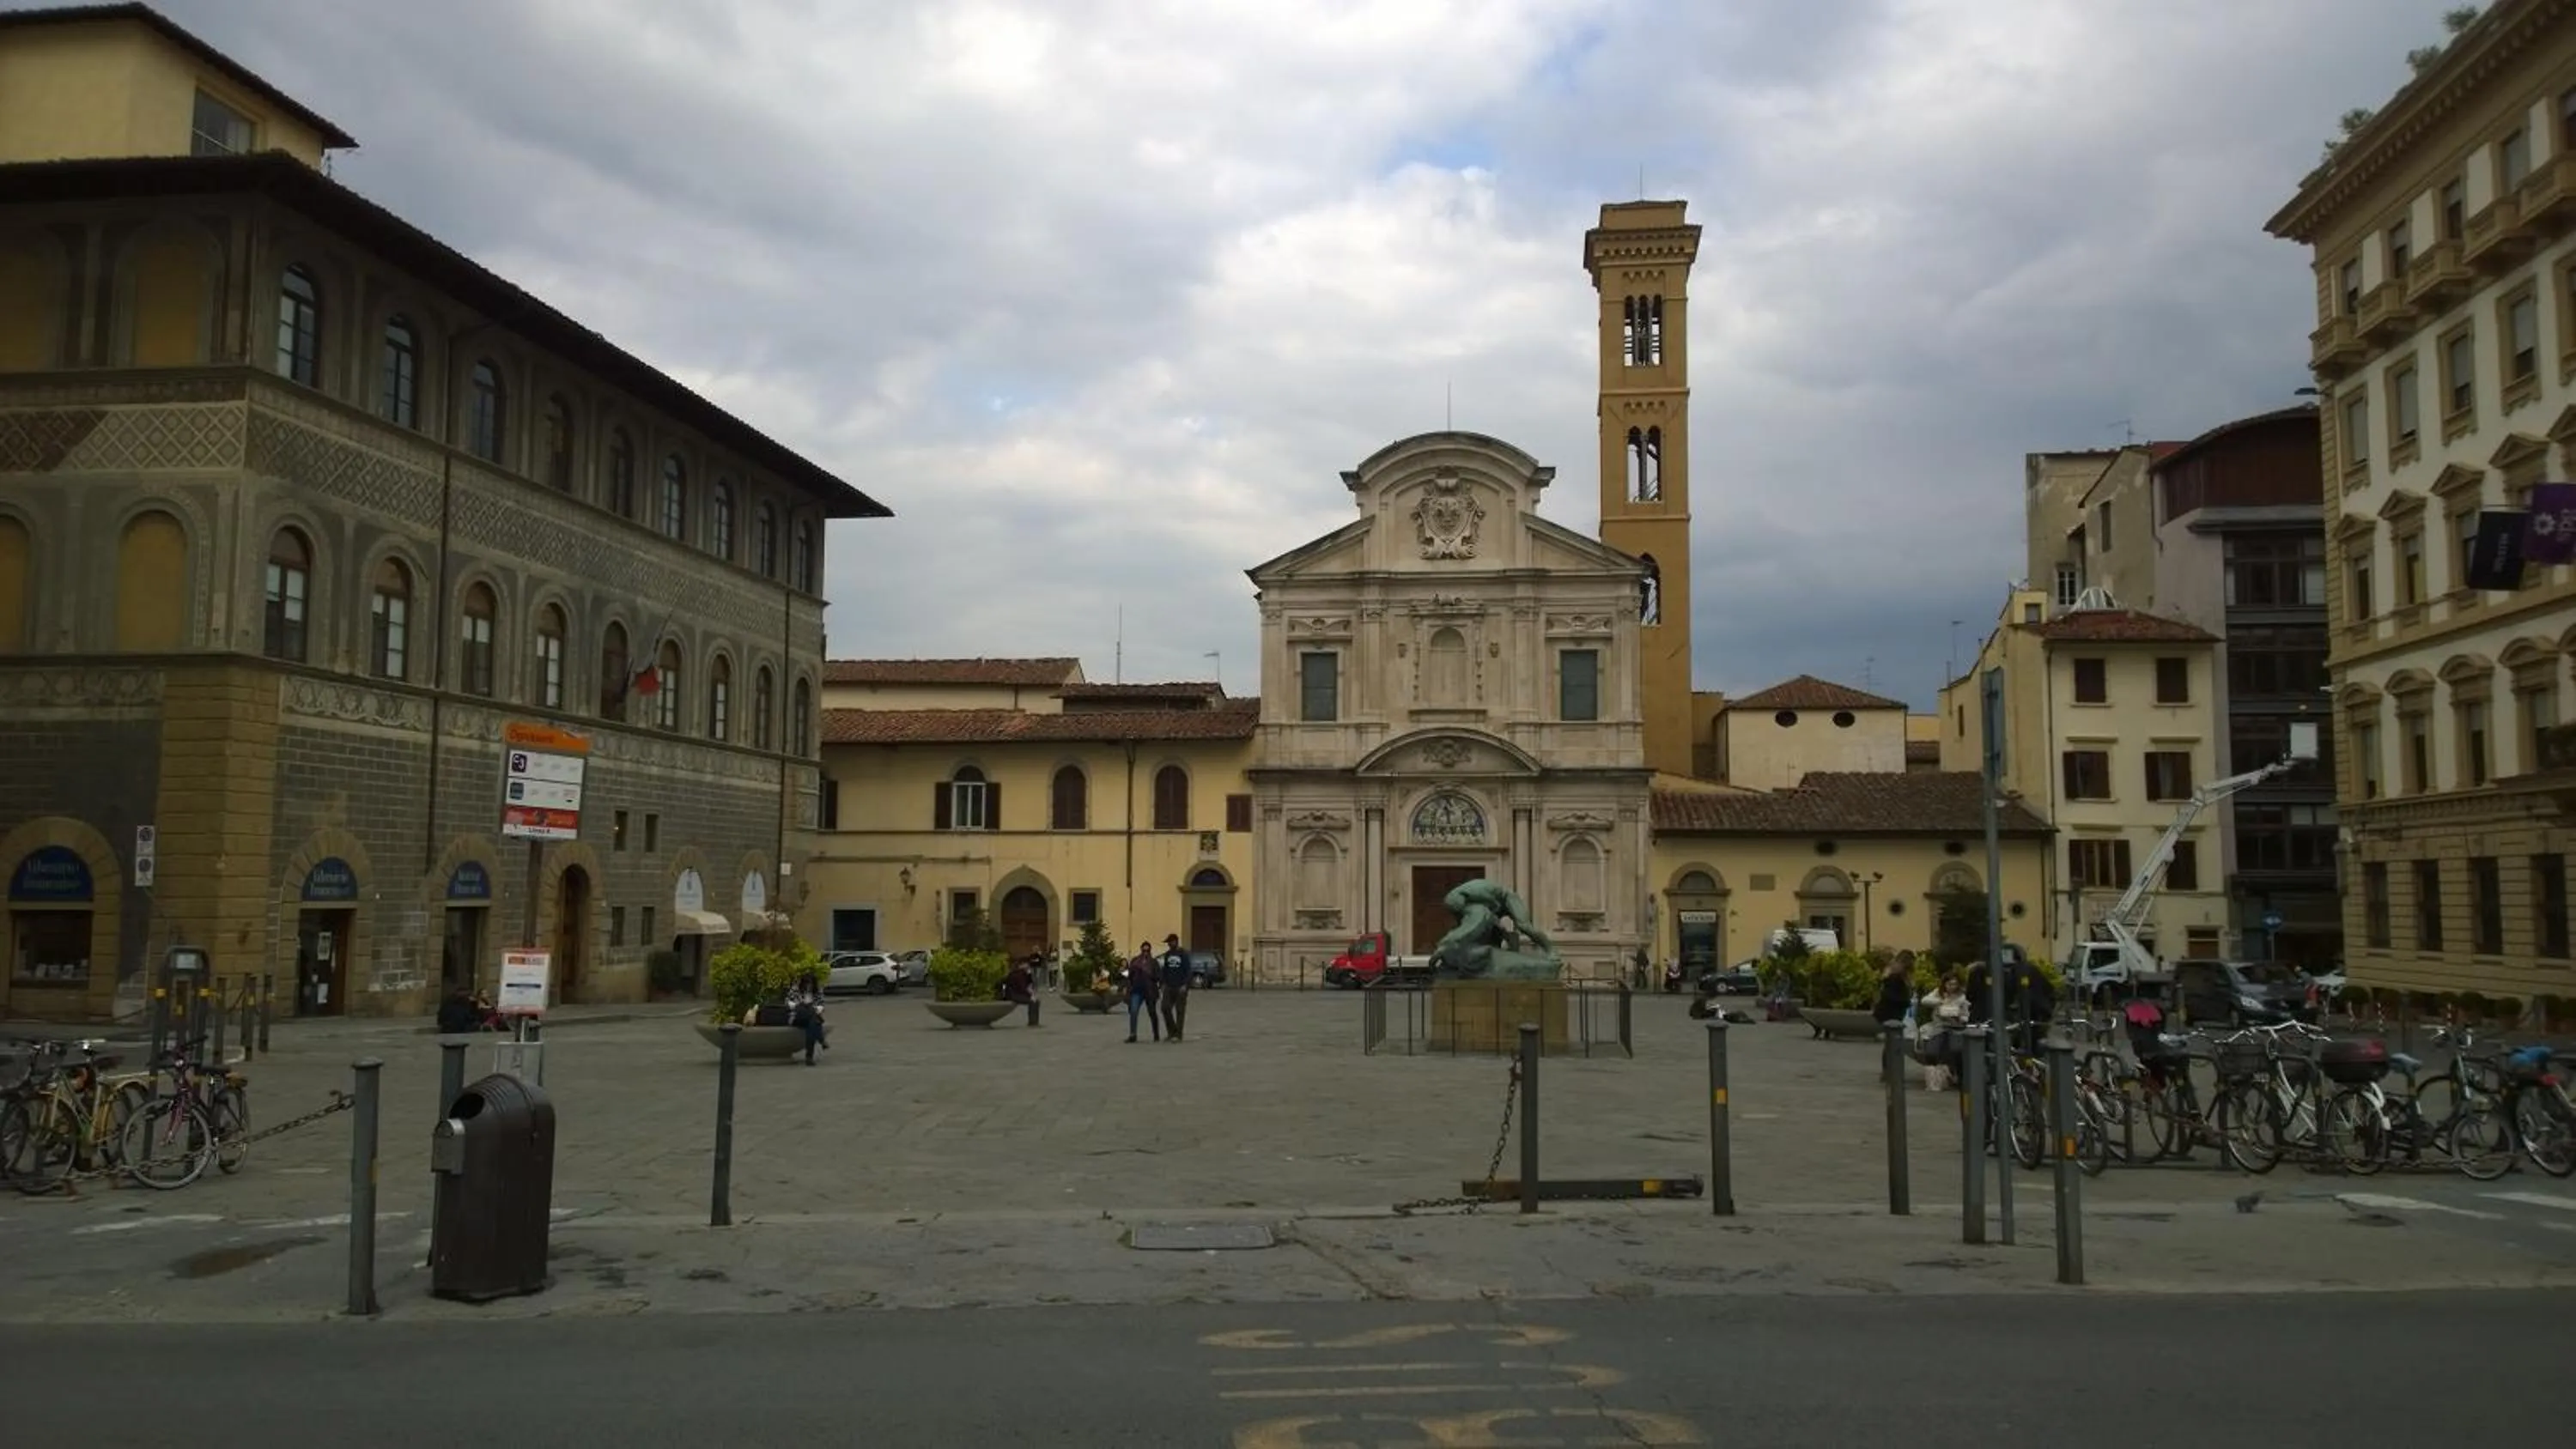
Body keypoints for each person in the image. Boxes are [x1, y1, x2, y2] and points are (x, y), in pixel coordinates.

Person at [786, 970, 829, 1065]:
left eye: (811, 984)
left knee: (812, 1026)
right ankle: (821, 1040)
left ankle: (809, 1058)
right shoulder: (795, 990)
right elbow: (788, 1002)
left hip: (811, 1018)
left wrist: (815, 1009)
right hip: (797, 1017)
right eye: (807, 984)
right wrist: (798, 1006)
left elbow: (821, 1005)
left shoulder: (817, 992)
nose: (808, 987)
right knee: (810, 1015)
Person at [1157, 933, 1193, 1042]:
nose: (1168, 944)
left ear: (1175, 941)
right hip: (1169, 986)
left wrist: (1185, 985)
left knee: (1180, 1011)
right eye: (1168, 943)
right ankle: (1172, 1031)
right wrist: (1162, 984)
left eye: (1170, 942)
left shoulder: (1183, 954)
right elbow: (1164, 970)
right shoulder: (1168, 955)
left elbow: (1188, 971)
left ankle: (1178, 1035)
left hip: (1180, 987)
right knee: (1165, 1008)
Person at [1124, 945, 1161, 1042]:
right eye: (1144, 950)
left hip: (1150, 991)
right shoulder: (1135, 961)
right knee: (1134, 1011)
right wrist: (1128, 989)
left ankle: (1156, 1034)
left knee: (1152, 1013)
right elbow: (1129, 975)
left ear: (1150, 951)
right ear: (1141, 950)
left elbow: (1158, 976)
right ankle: (1133, 1034)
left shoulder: (1154, 962)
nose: (1145, 952)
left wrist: (1149, 974)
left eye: (1147, 951)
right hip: (1137, 990)